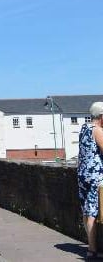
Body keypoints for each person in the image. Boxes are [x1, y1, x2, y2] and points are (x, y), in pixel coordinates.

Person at [78, 102, 103, 260]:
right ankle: (92, 250)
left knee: (86, 211)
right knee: (93, 212)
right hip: (95, 176)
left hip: (83, 174)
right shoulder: (97, 130)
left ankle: (90, 247)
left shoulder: (84, 128)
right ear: (102, 116)